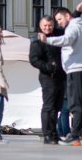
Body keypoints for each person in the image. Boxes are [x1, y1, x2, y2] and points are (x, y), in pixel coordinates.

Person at [41, 7, 82, 146]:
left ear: (67, 16)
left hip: (77, 69)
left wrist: (48, 40)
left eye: (59, 19)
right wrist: (77, 11)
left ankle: (74, 135)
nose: (59, 23)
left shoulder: (73, 28)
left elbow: (67, 39)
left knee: (75, 104)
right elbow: (71, 20)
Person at [30, 15, 66, 144]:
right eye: (45, 25)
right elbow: (34, 60)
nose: (47, 27)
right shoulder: (37, 41)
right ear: (40, 26)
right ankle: (47, 135)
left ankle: (54, 133)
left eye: (50, 25)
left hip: (61, 77)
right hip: (48, 77)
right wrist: (47, 67)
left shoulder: (57, 37)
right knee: (49, 107)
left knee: (57, 107)